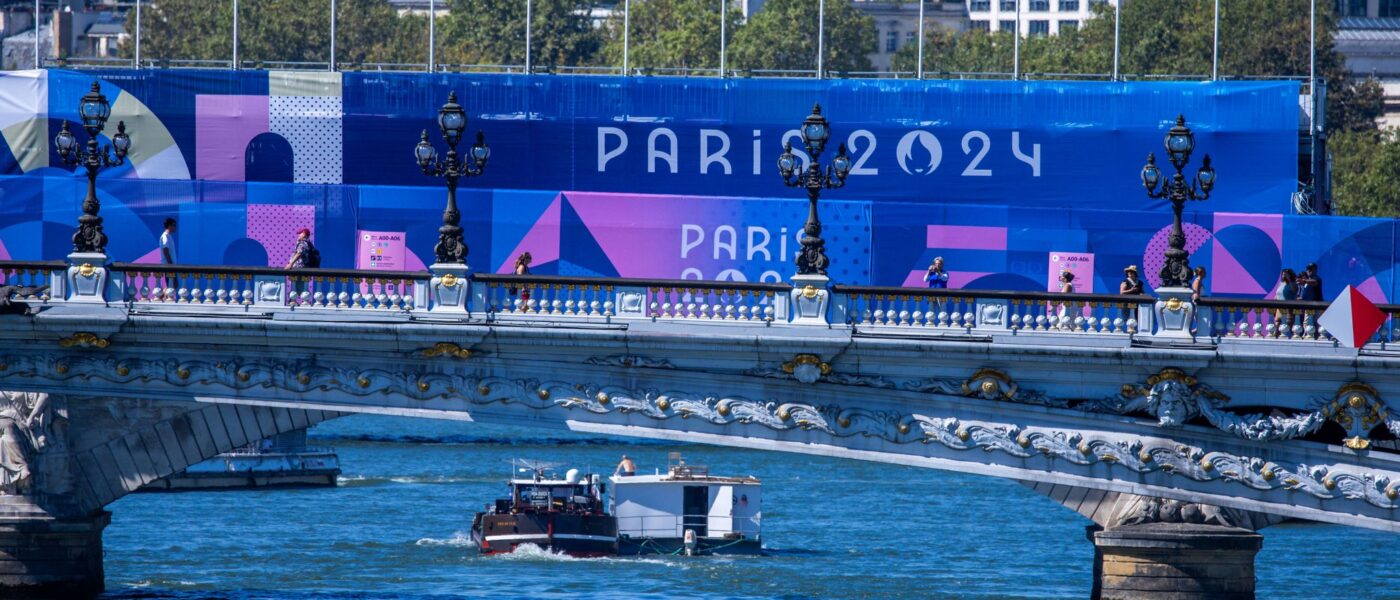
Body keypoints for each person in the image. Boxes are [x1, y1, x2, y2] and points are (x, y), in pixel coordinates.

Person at [284, 228, 320, 295]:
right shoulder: (308, 243)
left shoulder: (303, 243)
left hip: (299, 268)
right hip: (303, 268)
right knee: (301, 287)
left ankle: (294, 301)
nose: (298, 235)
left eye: (300, 233)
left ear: (304, 234)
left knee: (297, 287)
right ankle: (300, 300)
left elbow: (299, 253)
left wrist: (290, 264)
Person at [159, 218, 177, 289]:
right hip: (169, 266)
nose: (175, 227)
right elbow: (165, 251)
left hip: (171, 266)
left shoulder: (169, 236)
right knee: (172, 286)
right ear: (169, 226)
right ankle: (161, 296)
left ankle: (161, 296)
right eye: (174, 225)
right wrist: (171, 265)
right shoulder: (165, 236)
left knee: (172, 285)